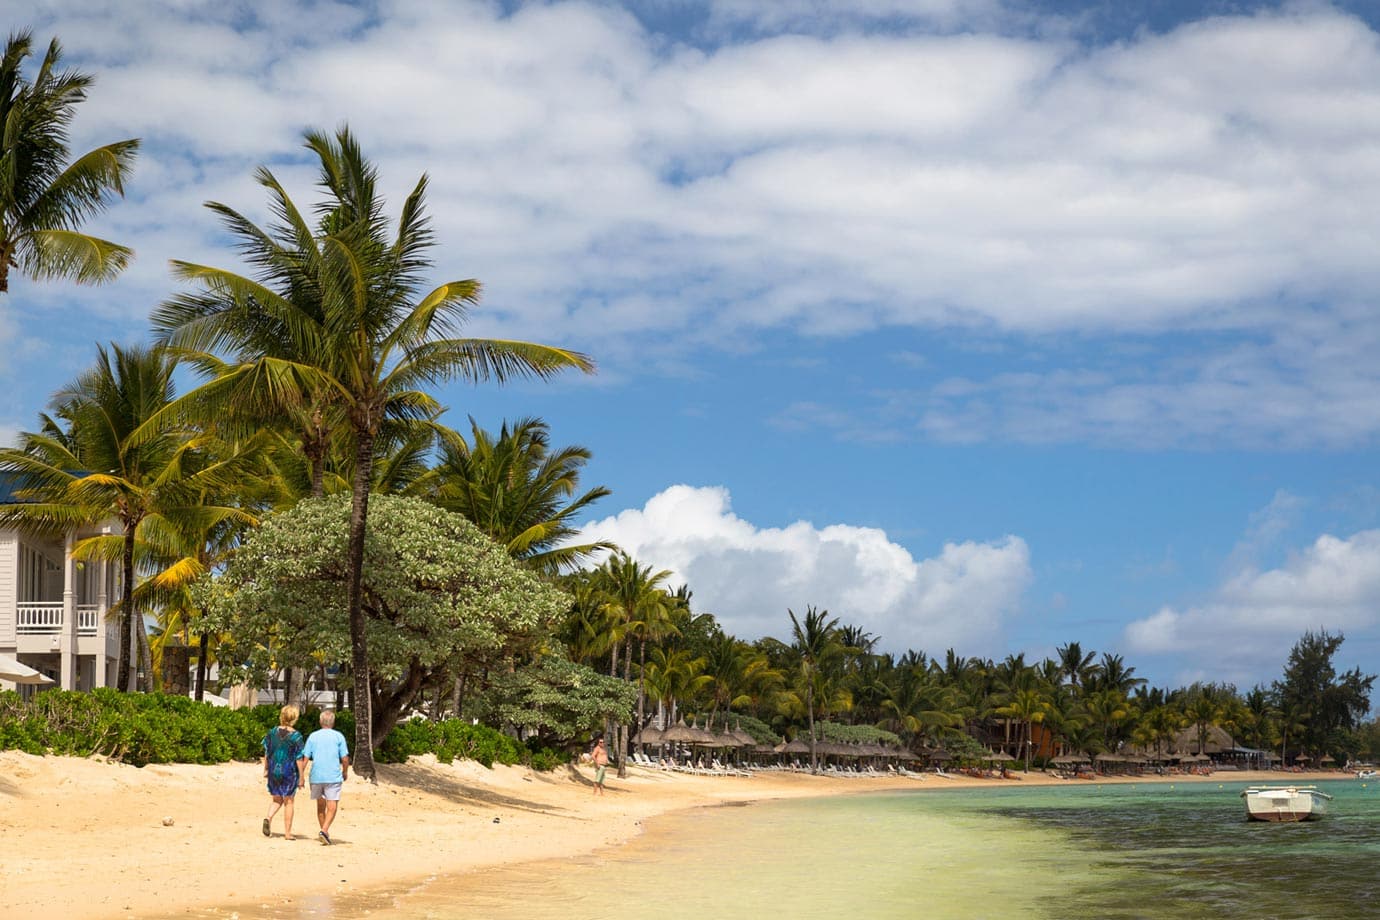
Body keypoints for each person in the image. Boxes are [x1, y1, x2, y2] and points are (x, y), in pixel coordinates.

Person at [302, 709, 351, 845]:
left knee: (320, 806)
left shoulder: (313, 736)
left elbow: (305, 757)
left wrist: (301, 775)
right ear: (333, 722)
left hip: (316, 776)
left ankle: (324, 833)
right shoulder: (338, 736)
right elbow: (345, 758)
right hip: (332, 776)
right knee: (332, 804)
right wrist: (345, 771)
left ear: (320, 721)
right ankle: (324, 830)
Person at [261, 705, 307, 840]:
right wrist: (302, 776)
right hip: (289, 771)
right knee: (289, 801)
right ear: (294, 718)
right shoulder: (296, 736)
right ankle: (287, 833)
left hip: (274, 769)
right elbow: (299, 757)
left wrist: (266, 768)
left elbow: (267, 752)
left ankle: (268, 818)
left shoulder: (272, 732)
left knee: (276, 799)